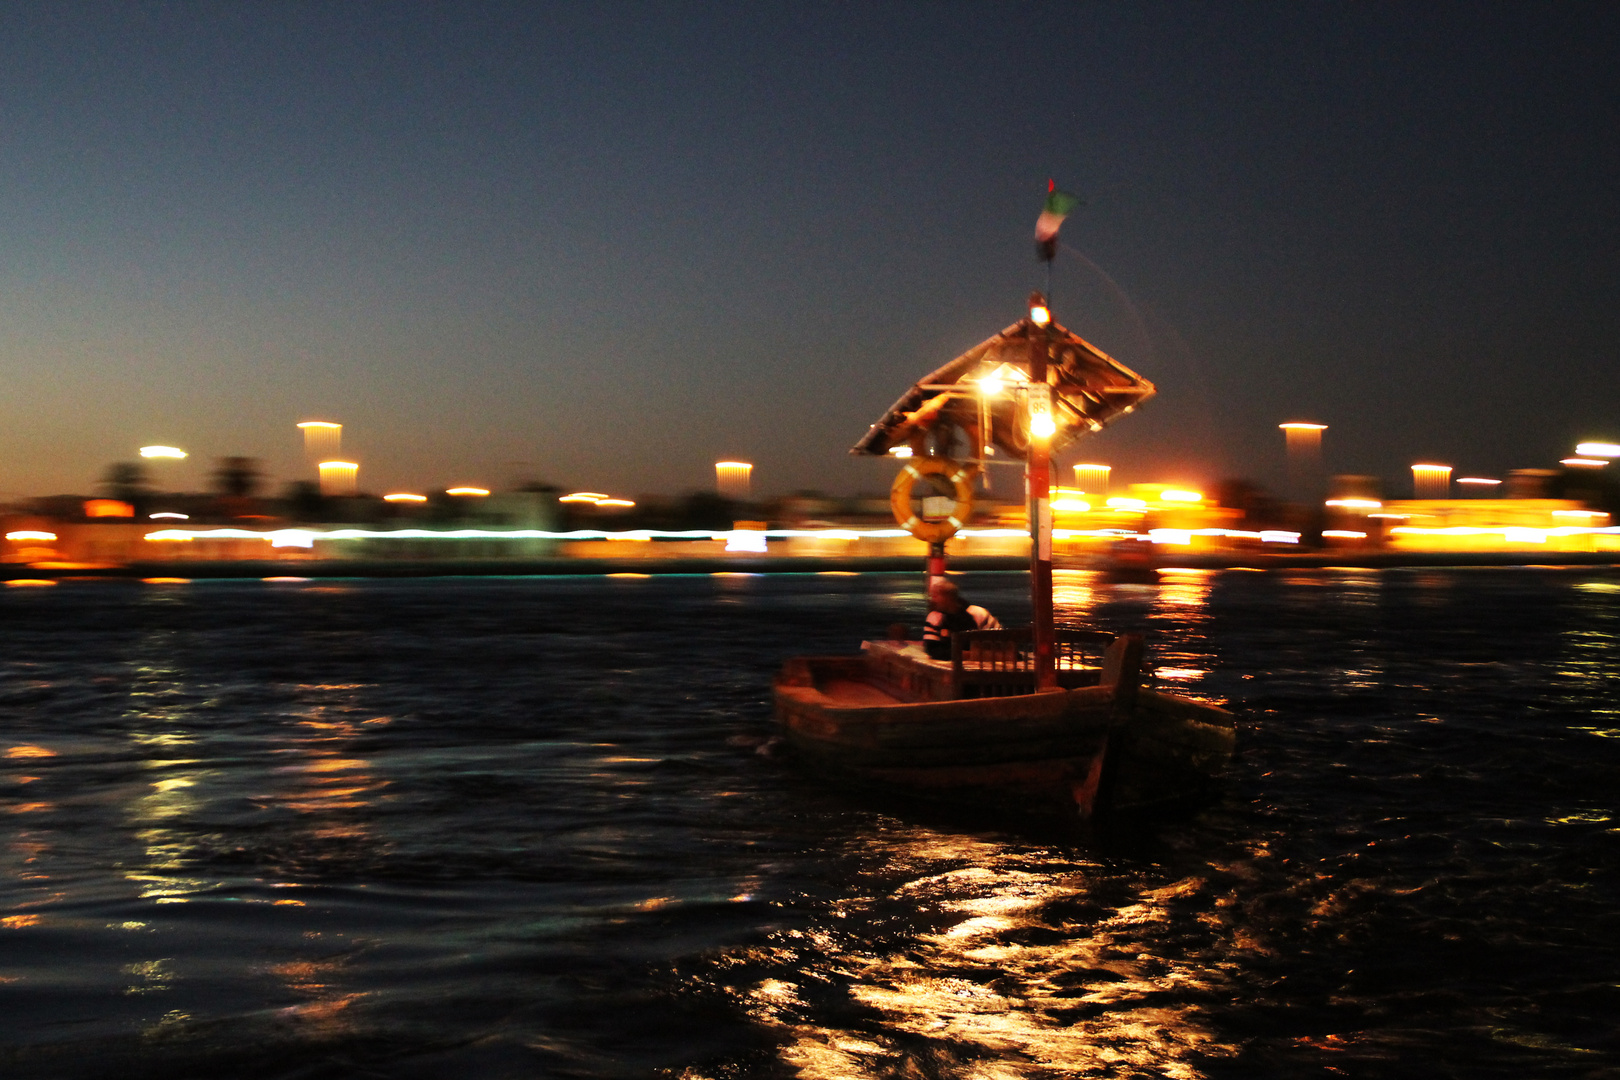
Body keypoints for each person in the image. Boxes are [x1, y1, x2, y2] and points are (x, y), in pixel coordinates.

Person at [922, 579, 1001, 660]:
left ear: (948, 597)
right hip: (962, 665)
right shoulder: (934, 617)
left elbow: (1001, 643)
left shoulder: (979, 614)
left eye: (935, 596)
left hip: (985, 666)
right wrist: (965, 654)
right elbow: (932, 650)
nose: (931, 600)